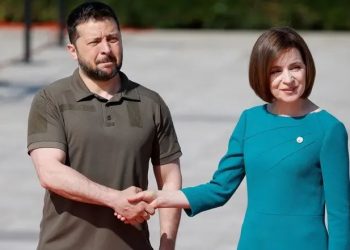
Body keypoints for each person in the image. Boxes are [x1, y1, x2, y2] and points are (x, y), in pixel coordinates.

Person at [126, 27, 350, 250]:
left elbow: (340, 214)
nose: (288, 79)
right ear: (261, 73)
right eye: (276, 71)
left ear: (307, 68)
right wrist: (160, 198)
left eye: (295, 68)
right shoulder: (250, 120)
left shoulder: (329, 129)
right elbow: (219, 189)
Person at [27, 2, 182, 250]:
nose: (106, 49)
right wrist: (114, 199)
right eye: (94, 42)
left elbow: (170, 181)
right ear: (73, 50)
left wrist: (168, 244)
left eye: (113, 39)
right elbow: (50, 173)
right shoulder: (51, 99)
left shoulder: (151, 103)